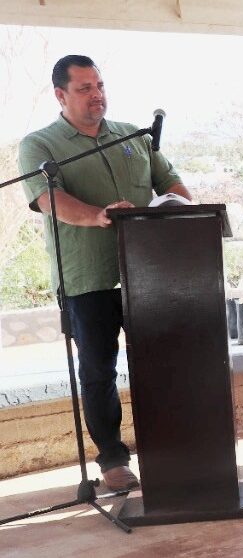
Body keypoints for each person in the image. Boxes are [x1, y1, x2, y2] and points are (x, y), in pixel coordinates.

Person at [17, 55, 192, 492]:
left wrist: (181, 210)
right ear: (60, 95)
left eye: (99, 85)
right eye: (84, 88)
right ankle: (113, 459)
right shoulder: (40, 145)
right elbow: (48, 199)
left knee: (161, 364)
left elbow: (173, 185)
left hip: (148, 274)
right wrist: (98, 216)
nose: (96, 94)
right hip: (86, 278)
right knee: (98, 371)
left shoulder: (134, 136)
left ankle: (172, 451)